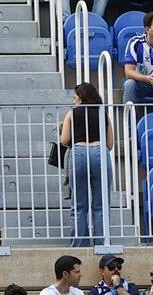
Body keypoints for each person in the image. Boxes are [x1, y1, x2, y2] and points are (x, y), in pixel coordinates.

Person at [59, 84, 110, 247]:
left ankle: (80, 244)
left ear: (81, 98)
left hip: (79, 152)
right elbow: (110, 143)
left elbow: (64, 140)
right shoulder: (102, 113)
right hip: (100, 152)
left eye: (75, 98)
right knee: (101, 203)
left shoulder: (72, 113)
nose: (73, 101)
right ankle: (102, 243)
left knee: (79, 204)